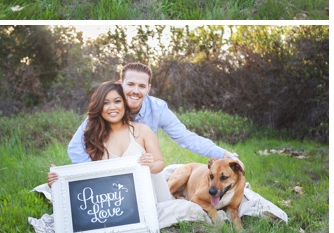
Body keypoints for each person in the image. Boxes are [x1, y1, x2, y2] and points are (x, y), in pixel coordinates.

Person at [67, 63, 238, 163]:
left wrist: (225, 154)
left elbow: (186, 138)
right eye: (130, 84)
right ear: (121, 84)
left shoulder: (158, 109)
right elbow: (75, 148)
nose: (136, 91)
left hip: (143, 171)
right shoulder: (108, 107)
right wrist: (95, 174)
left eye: (141, 86)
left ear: (148, 88)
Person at [47, 81, 165, 193]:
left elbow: (159, 163)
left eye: (117, 101)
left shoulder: (143, 130)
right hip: (112, 200)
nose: (112, 107)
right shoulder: (94, 138)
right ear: (99, 107)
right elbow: (89, 177)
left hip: (144, 195)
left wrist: (151, 165)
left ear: (124, 103)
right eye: (105, 103)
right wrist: (58, 180)